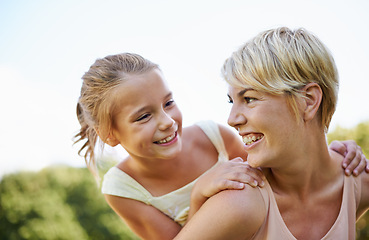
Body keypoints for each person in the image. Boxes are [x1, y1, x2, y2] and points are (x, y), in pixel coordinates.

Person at [74, 52, 367, 240]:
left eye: (168, 103)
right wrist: (200, 195)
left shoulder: (213, 137)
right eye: (144, 116)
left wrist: (329, 154)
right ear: (110, 134)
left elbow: (281, 177)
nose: (167, 122)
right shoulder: (123, 188)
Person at [174, 27, 369, 240]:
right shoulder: (239, 202)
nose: (232, 119)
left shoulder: (359, 184)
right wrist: (198, 199)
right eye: (232, 101)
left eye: (249, 99)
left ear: (309, 101)